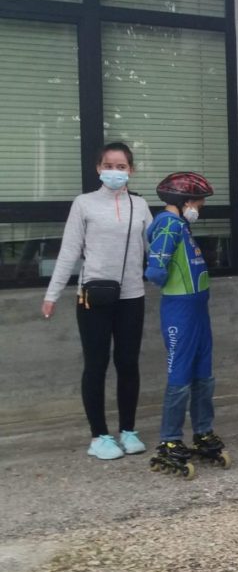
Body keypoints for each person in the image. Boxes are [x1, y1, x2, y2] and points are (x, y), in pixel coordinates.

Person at [43, 142, 153, 461]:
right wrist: (52, 294)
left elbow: (154, 250)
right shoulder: (84, 204)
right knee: (96, 364)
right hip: (92, 296)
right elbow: (69, 252)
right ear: (98, 169)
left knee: (128, 363)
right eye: (109, 165)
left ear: (131, 170)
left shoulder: (140, 206)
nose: (115, 172)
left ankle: (129, 431)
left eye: (121, 167)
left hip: (132, 295)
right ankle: (99, 435)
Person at [145, 172, 227, 477]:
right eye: (199, 200)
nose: (201, 205)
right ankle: (169, 440)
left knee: (203, 374)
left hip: (197, 309)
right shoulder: (168, 224)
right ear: (184, 201)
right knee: (180, 375)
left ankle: (203, 431)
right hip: (179, 309)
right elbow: (155, 271)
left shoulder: (182, 225)